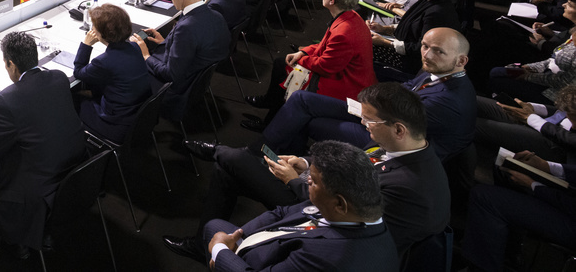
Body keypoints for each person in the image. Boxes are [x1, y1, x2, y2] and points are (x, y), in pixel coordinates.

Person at [172, 83, 449, 261]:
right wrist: (304, 165)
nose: (364, 125)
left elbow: (344, 210)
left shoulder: (409, 187)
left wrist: (297, 182)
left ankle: (217, 151)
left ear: (399, 129)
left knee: (233, 160)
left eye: (370, 120)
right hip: (322, 198)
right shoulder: (399, 146)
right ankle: (203, 242)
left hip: (325, 218)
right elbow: (352, 169)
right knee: (228, 170)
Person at [263, 27, 475, 160]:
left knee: (307, 120)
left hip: (386, 142)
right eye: (424, 46)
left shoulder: (447, 101)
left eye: (438, 51)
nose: (427, 55)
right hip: (382, 117)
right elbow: (406, 87)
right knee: (302, 99)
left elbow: (396, 130)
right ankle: (268, 151)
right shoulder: (439, 72)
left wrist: (368, 111)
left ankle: (278, 159)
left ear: (461, 61)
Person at [0, 31, 87, 253]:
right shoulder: (59, 77)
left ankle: (9, 235)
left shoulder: (10, 100)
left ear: (10, 64)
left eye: (5, 64)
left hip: (36, 188)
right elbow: (34, 101)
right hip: (73, 171)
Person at [199, 141, 399, 270]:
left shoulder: (328, 256)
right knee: (214, 226)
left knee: (214, 235)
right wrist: (239, 236)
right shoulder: (353, 208)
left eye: (313, 181)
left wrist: (221, 250)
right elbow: (282, 212)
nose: (306, 181)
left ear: (339, 203)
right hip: (271, 245)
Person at [242, 0, 375, 132]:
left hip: (345, 84)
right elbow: (326, 45)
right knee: (283, 65)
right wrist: (303, 52)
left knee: (285, 69)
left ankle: (270, 122)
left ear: (331, 0)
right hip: (345, 74)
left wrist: (303, 59)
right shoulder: (351, 16)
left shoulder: (343, 32)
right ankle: (271, 103)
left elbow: (325, 66)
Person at [132, 0, 230, 117]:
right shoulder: (216, 15)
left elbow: (170, 74)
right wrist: (166, 41)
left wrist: (145, 55)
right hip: (194, 81)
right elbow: (191, 48)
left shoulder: (187, 28)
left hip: (175, 90)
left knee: (124, 71)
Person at [71, 4, 152, 143]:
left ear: (102, 33)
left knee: (72, 99)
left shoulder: (103, 62)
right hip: (139, 116)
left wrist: (86, 45)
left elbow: (78, 72)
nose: (92, 30)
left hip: (116, 123)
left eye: (94, 27)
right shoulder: (134, 47)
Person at [368, 0, 460, 79]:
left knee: (365, 50)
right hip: (404, 46)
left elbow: (420, 48)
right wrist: (385, 29)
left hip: (411, 61)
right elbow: (414, 25)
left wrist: (384, 42)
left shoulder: (437, 13)